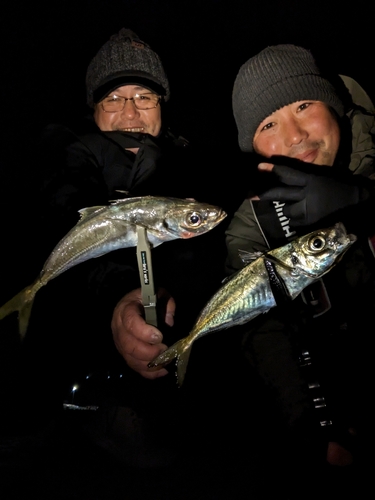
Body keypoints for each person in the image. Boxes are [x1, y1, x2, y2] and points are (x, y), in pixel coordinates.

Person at [0, 27, 229, 467]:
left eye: (144, 97)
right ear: (93, 109)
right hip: (78, 387)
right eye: (113, 98)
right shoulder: (66, 160)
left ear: (163, 106)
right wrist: (119, 296)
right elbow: (57, 219)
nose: (130, 112)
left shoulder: (190, 167)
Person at [225, 44, 375, 468]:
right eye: (269, 124)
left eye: (304, 105)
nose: (295, 136)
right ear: (252, 147)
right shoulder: (252, 221)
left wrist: (363, 202)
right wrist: (313, 430)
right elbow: (261, 328)